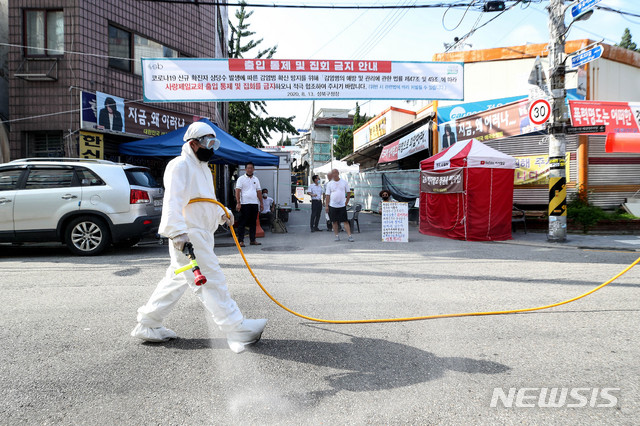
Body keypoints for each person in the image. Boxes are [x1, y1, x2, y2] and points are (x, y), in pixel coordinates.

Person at [131, 121, 267, 353]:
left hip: (200, 233)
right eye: (208, 143)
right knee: (211, 277)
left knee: (175, 280)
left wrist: (222, 213)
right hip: (188, 235)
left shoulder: (202, 168)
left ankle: (148, 323)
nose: (212, 148)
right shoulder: (179, 165)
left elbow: (204, 199)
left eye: (215, 143)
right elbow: (173, 201)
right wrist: (177, 233)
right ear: (193, 144)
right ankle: (235, 327)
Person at [235, 162, 263, 248]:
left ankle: (252, 240)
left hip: (254, 203)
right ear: (245, 169)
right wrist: (238, 202)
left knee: (253, 223)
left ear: (253, 169)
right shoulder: (241, 179)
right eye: (248, 168)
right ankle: (241, 241)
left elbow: (258, 191)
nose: (250, 169)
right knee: (242, 223)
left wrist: (261, 203)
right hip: (244, 204)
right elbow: (237, 191)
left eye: (251, 168)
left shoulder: (256, 179)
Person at [325, 169, 354, 242]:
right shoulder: (329, 184)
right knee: (334, 221)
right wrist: (327, 205)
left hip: (342, 205)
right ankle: (336, 235)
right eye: (333, 173)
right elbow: (327, 195)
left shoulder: (344, 182)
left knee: (345, 221)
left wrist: (346, 202)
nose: (334, 175)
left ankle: (349, 236)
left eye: (335, 173)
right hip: (332, 205)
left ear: (338, 173)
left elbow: (348, 192)